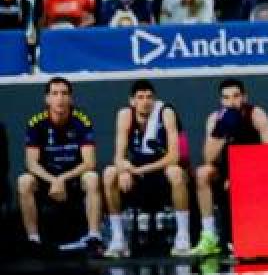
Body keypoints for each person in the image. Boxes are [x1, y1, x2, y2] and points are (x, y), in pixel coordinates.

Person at [103, 80, 192, 257]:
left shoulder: (166, 112)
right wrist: (123, 170)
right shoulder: (125, 115)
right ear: (132, 101)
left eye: (149, 97)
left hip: (161, 170)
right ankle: (118, 238)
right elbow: (118, 156)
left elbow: (174, 157)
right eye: (140, 97)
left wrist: (142, 170)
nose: (146, 101)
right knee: (109, 173)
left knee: (176, 172)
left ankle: (183, 237)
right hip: (137, 174)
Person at [189, 79, 268, 256]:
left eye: (236, 96)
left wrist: (241, 174)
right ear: (221, 101)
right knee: (202, 173)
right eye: (227, 98)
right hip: (224, 170)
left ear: (244, 97)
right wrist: (221, 131)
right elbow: (208, 157)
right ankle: (209, 236)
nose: (232, 101)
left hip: (254, 169)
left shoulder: (256, 114)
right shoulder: (215, 119)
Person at [19, 77, 104, 255]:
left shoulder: (82, 120)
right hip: (46, 180)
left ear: (71, 99)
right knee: (24, 181)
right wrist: (53, 180)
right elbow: (31, 163)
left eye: (65, 94)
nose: (60, 98)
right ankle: (33, 240)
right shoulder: (36, 122)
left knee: (92, 177)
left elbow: (89, 162)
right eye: (55, 94)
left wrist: (62, 179)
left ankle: (94, 237)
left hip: (73, 178)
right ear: (47, 99)